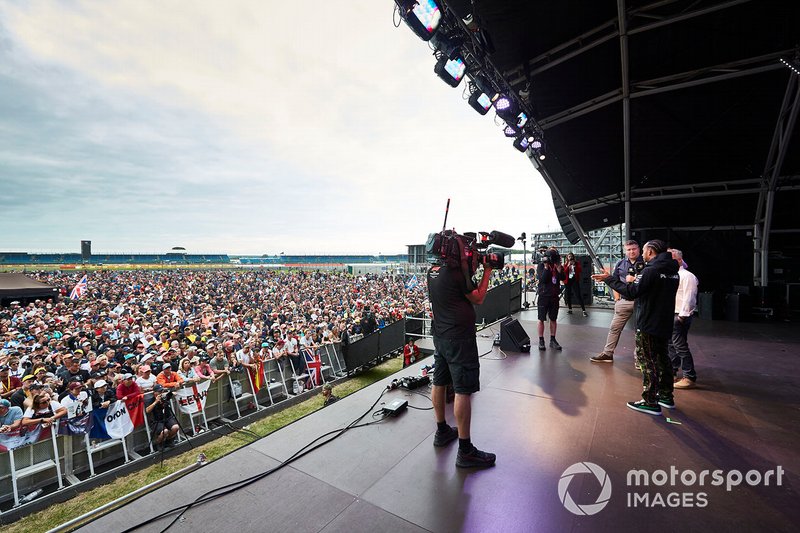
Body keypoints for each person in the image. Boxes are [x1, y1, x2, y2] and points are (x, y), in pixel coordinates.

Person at [427, 237, 496, 469]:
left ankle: (441, 430)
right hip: (460, 338)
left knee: (439, 381)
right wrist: (487, 271)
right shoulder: (456, 274)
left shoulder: (433, 271)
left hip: (441, 336)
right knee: (463, 390)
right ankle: (466, 451)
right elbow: (478, 297)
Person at [592, 239, 679, 415]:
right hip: (664, 321)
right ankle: (666, 396)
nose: (643, 254)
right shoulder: (673, 271)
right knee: (663, 358)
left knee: (647, 360)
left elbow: (632, 292)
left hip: (648, 322)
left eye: (644, 250)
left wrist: (609, 279)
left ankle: (650, 401)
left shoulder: (651, 270)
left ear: (651, 251)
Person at [591, 240, 645, 364]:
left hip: (641, 302)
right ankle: (607, 353)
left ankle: (639, 359)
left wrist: (635, 279)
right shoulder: (620, 263)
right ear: (625, 251)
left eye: (634, 249)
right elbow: (614, 282)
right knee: (614, 328)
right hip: (624, 301)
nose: (631, 251)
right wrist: (617, 300)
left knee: (640, 331)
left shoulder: (646, 263)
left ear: (639, 249)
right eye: (629, 249)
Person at [668, 249, 699, 389]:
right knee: (672, 345)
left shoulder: (687, 276)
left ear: (679, 260)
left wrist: (682, 315)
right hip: (672, 314)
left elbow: (689, 297)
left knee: (680, 346)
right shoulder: (673, 275)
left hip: (679, 315)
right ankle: (673, 371)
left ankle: (689, 376)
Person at [535, 248, 565, 351]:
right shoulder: (541, 265)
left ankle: (553, 340)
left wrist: (559, 270)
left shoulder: (557, 265)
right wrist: (547, 267)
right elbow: (543, 279)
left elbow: (563, 277)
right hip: (544, 296)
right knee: (541, 319)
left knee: (553, 319)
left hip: (554, 296)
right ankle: (541, 340)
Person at [146, 384, 179, 449]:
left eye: (162, 391)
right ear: (154, 393)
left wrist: (171, 393)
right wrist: (156, 402)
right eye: (159, 392)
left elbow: (174, 393)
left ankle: (168, 440)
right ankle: (159, 443)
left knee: (175, 427)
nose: (161, 393)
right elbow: (147, 410)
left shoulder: (165, 397)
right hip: (156, 421)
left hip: (167, 418)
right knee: (165, 431)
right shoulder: (150, 400)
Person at [563, 252, 588, 317]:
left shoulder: (577, 263)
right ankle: (570, 309)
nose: (570, 258)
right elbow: (564, 272)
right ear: (567, 258)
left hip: (574, 280)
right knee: (568, 296)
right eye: (569, 256)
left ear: (573, 257)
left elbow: (580, 270)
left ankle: (584, 311)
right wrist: (568, 266)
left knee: (578, 295)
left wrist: (574, 266)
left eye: (571, 256)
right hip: (568, 281)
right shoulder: (565, 264)